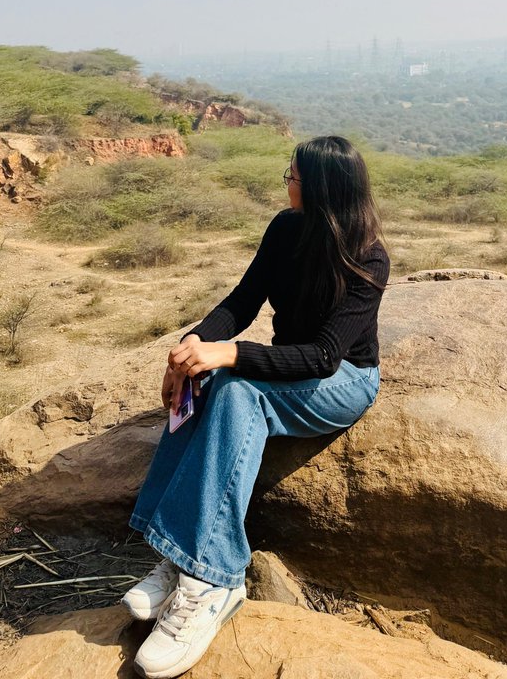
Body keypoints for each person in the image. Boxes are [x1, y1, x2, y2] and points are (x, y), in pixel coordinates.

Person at [121, 135, 389, 679]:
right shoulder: (285, 229)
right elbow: (242, 301)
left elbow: (323, 356)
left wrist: (232, 355)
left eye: (291, 174)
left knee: (237, 385)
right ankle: (179, 556)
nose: (285, 181)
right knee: (211, 378)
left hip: (343, 381)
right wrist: (191, 349)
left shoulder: (368, 256)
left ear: (318, 186)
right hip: (294, 368)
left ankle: (214, 581)